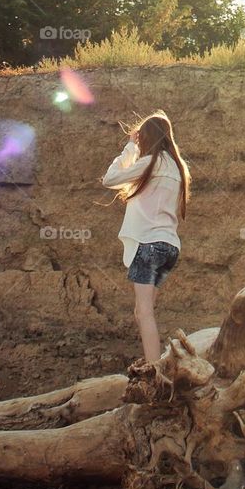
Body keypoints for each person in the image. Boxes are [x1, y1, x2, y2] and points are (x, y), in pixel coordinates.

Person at [100, 109, 191, 363]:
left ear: (147, 138)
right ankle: (158, 365)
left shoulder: (150, 163)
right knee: (142, 311)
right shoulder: (177, 167)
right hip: (170, 248)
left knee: (145, 313)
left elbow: (110, 179)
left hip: (149, 246)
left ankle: (154, 371)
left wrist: (130, 148)